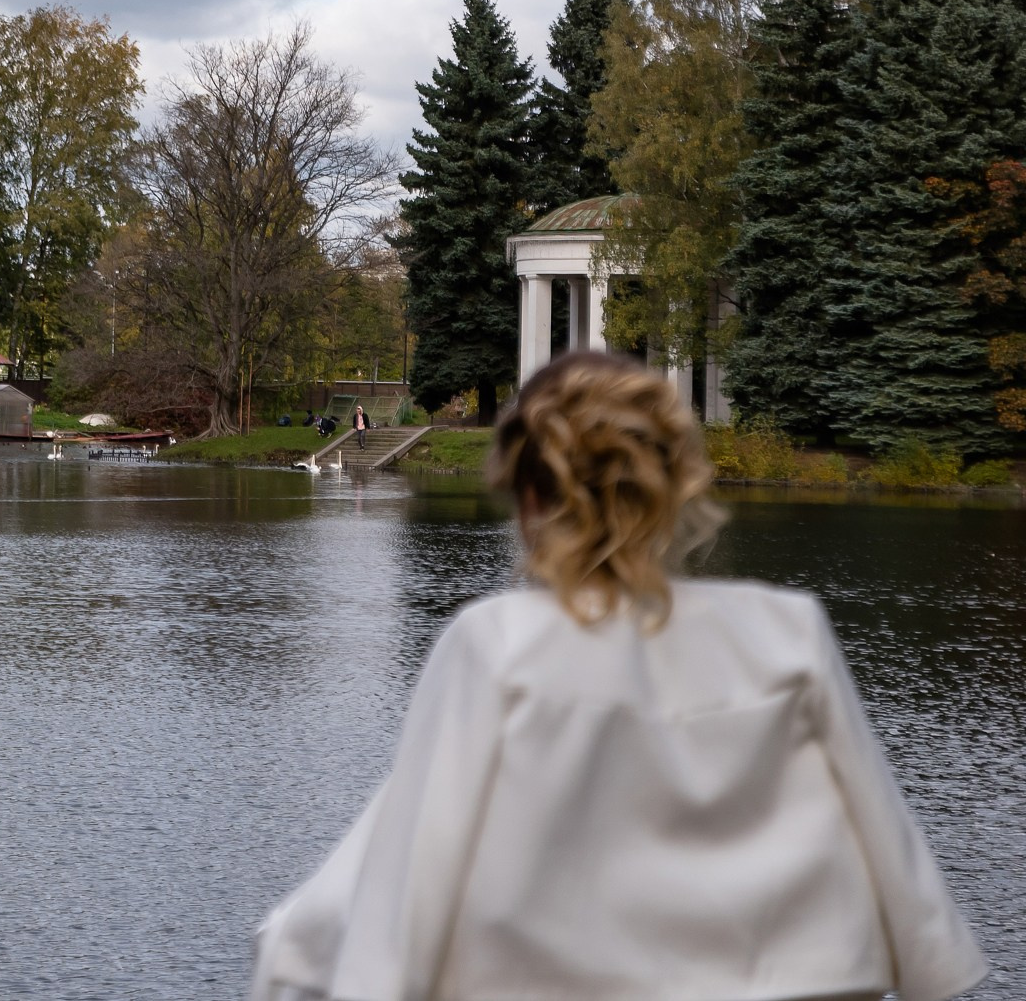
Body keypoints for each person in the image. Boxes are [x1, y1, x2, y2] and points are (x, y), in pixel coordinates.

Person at [249, 351, 985, 1001]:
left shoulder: (497, 646)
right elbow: (912, 906)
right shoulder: (788, 631)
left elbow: (400, 904)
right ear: (672, 484)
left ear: (530, 500)